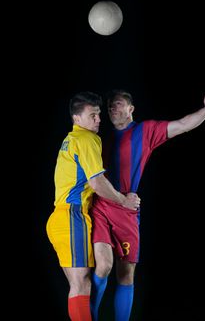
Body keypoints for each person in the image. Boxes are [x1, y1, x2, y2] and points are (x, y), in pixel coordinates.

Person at [90, 89, 205, 321]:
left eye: (118, 104)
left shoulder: (145, 131)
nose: (112, 108)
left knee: (126, 274)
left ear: (131, 109)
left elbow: (182, 124)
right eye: (110, 105)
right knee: (102, 266)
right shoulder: (98, 136)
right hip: (101, 205)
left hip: (127, 209)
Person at [46, 91, 140, 321]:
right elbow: (97, 182)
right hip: (72, 214)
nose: (99, 120)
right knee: (81, 285)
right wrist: (124, 200)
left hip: (62, 216)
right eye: (92, 115)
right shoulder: (87, 139)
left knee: (80, 284)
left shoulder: (72, 138)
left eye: (99, 115)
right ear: (77, 119)